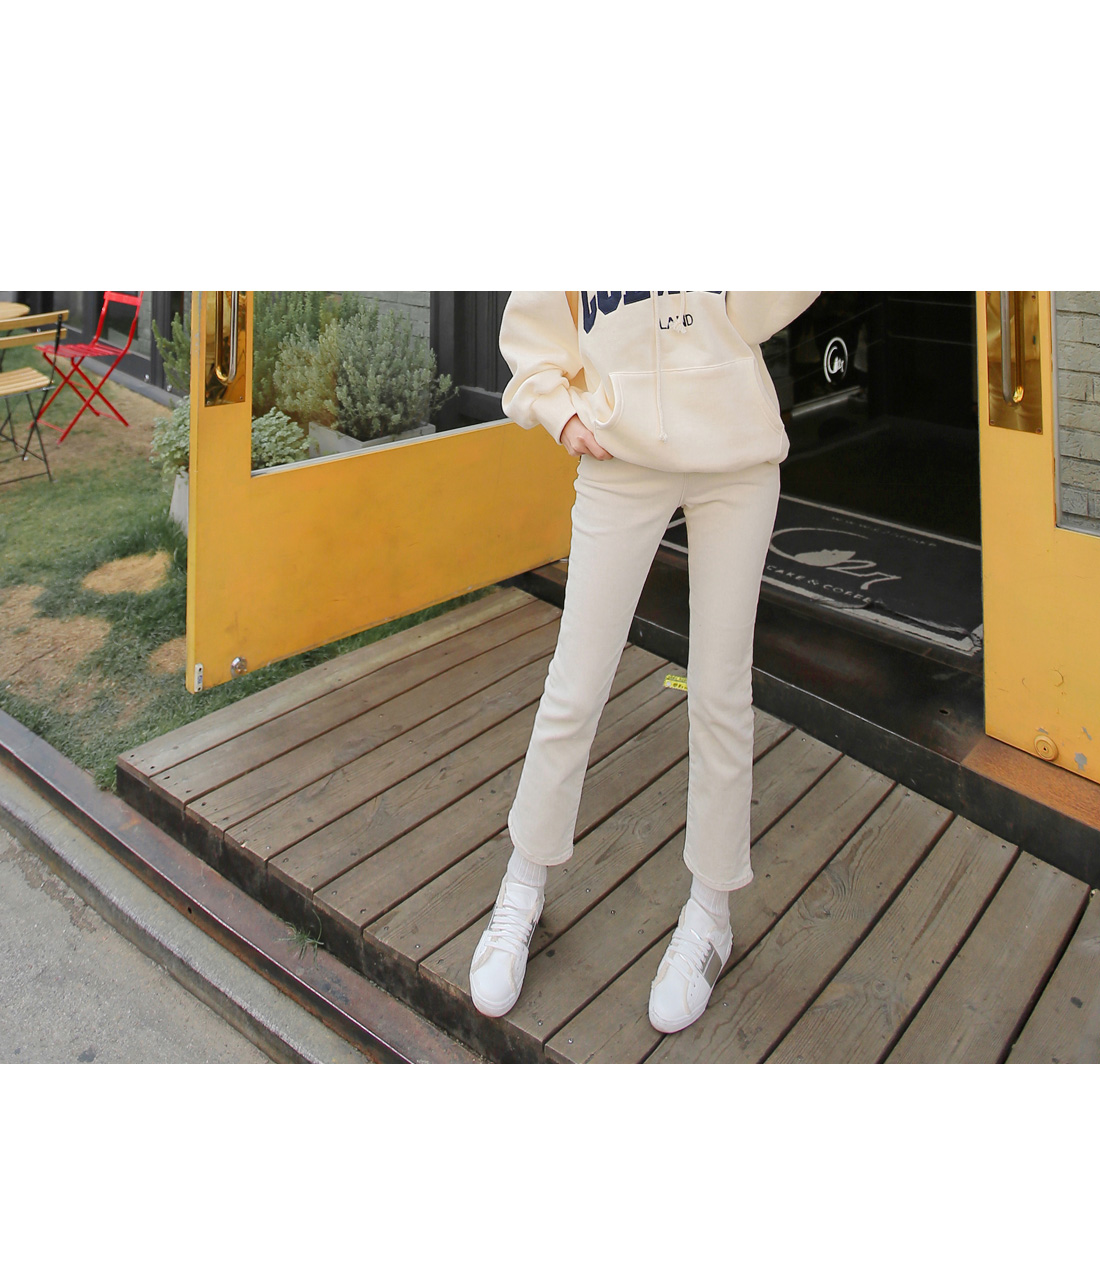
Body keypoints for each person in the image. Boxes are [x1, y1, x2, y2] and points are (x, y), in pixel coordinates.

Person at [469, 289, 820, 1034]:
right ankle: (522, 886)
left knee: (720, 693)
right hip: (620, 453)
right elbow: (534, 317)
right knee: (575, 682)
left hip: (734, 456)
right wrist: (558, 410)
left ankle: (710, 915)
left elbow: (757, 311)